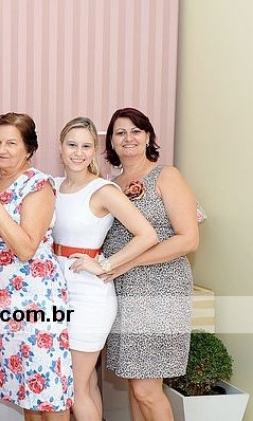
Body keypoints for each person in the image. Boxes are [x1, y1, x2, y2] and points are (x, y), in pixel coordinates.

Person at [0, 112, 73, 421]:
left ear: (29, 148)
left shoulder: (38, 184)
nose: (2, 149)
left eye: (11, 143)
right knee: (25, 389)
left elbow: (25, 247)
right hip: (1, 301)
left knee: (49, 391)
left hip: (36, 300)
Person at [51, 117, 158, 421]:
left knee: (74, 388)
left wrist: (104, 265)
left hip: (89, 296)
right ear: (60, 147)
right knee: (87, 384)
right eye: (72, 145)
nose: (78, 152)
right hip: (56, 292)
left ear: (94, 151)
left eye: (86, 146)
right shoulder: (52, 185)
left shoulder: (103, 190)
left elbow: (147, 235)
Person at [102, 107, 199, 421]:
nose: (128, 138)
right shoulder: (112, 185)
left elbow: (188, 239)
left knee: (146, 389)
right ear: (111, 142)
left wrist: (130, 262)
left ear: (148, 137)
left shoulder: (166, 176)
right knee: (135, 384)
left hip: (161, 291)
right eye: (120, 132)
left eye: (135, 131)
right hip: (124, 293)